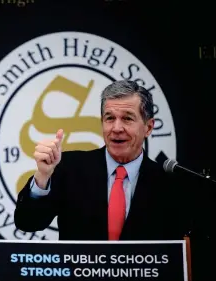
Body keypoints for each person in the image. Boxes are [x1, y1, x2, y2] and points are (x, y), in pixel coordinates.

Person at [14, 79, 200, 241]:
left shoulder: (169, 183)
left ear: (148, 127)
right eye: (110, 118)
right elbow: (28, 223)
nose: (117, 128)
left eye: (127, 118)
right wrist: (43, 176)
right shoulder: (70, 168)